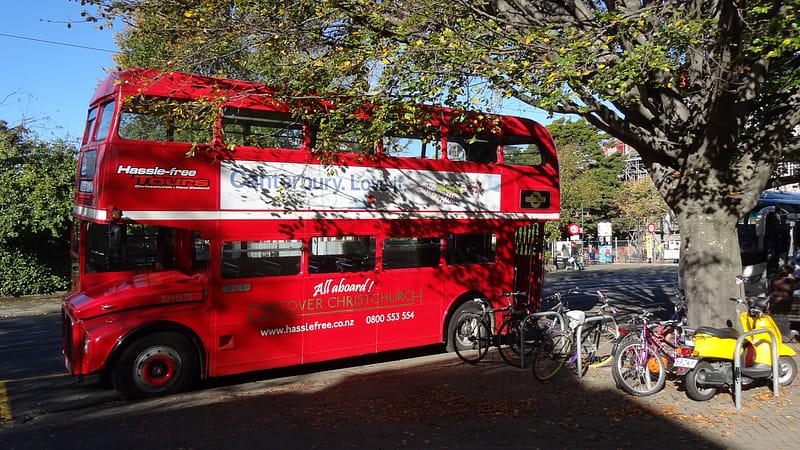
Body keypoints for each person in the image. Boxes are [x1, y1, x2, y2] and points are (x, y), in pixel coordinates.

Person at [766, 265, 796, 342]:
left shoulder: (774, 280)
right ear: (789, 273)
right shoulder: (791, 282)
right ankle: (786, 336)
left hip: (774, 307)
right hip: (786, 308)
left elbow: (769, 292)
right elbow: (792, 291)